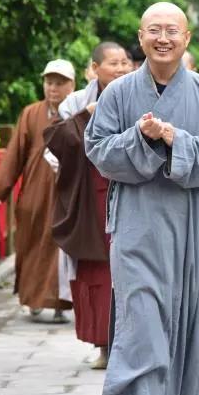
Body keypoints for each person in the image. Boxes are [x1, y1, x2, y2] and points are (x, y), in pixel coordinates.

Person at [85, 2, 199, 395]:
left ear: (187, 39)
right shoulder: (117, 94)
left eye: (172, 30)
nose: (164, 38)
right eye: (154, 30)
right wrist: (140, 137)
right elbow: (97, 149)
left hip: (193, 222)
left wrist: (176, 139)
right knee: (143, 315)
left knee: (192, 311)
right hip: (137, 222)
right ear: (141, 38)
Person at [44, 42, 131, 370]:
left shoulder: (143, 95)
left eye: (125, 62)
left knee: (132, 270)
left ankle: (132, 344)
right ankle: (103, 345)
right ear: (94, 69)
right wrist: (86, 116)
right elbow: (53, 150)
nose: (121, 68)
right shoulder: (76, 102)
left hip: (131, 193)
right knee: (97, 272)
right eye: (113, 63)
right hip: (89, 198)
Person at [0, 60, 75, 322]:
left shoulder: (78, 112)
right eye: (49, 82)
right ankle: (33, 298)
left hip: (65, 192)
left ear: (72, 85)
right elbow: (15, 153)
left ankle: (60, 302)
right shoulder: (31, 113)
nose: (53, 89)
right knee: (31, 242)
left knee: (61, 246)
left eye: (60, 83)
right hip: (35, 193)